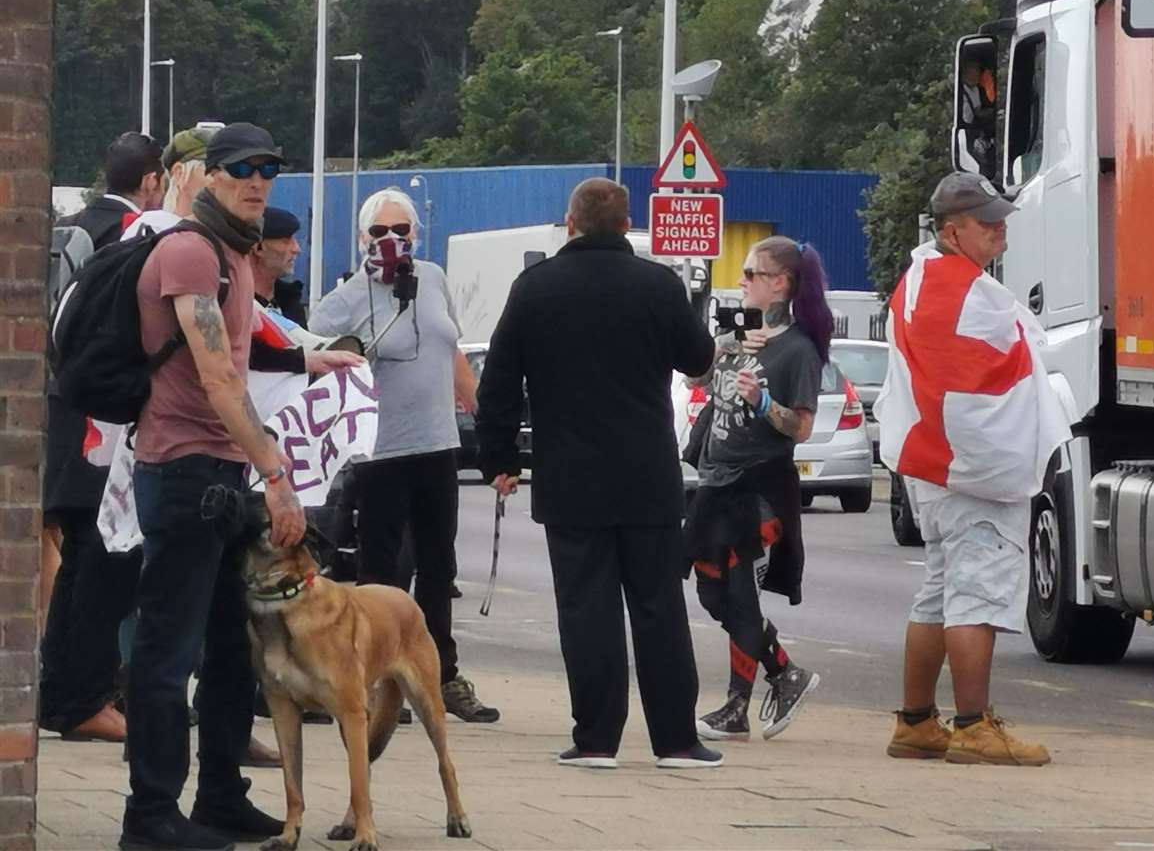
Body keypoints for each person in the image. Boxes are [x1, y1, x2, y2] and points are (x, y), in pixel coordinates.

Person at [475, 177, 722, 769]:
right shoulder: (658, 285)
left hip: (571, 477)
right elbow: (697, 359)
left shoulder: (536, 289)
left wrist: (500, 458)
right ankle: (676, 740)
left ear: (572, 223)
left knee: (587, 609)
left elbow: (500, 382)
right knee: (659, 606)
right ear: (625, 222)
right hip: (648, 476)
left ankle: (596, 739)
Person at [123, 122, 309, 850]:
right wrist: (277, 475)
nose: (257, 181)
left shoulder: (232, 253)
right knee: (168, 652)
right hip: (182, 472)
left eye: (268, 168)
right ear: (209, 175)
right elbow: (216, 377)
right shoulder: (190, 254)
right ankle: (150, 817)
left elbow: (242, 371)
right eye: (241, 169)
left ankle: (221, 796)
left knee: (235, 648)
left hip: (221, 473)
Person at [876, 172, 1068, 767]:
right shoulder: (962, 289)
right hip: (969, 469)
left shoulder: (917, 281)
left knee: (937, 590)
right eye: (988, 224)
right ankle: (973, 725)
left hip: (931, 463)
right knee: (976, 596)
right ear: (953, 231)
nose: (1001, 232)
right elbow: (1000, 366)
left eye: (1002, 220)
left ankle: (915, 722)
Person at [309, 187, 498, 724]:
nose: (392, 241)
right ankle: (375, 678)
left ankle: (439, 675)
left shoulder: (433, 279)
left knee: (439, 568)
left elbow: (450, 349)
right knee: (382, 570)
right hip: (383, 451)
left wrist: (484, 417)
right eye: (380, 233)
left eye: (402, 231)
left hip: (437, 444)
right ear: (364, 239)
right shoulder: (349, 297)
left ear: (417, 234)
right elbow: (313, 354)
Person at [40, 131, 165, 744]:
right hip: (106, 429)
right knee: (108, 566)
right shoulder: (138, 236)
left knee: (75, 567)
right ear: (150, 182)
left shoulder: (72, 227)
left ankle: (58, 692)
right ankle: (86, 696)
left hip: (65, 417)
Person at [687, 237, 827, 743]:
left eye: (751, 274)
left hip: (761, 485)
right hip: (715, 482)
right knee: (711, 591)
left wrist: (764, 400)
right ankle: (785, 672)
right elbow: (694, 377)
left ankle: (735, 707)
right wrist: (723, 346)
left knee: (739, 587)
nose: (742, 281)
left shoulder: (798, 351)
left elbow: (802, 427)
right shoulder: (740, 338)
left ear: (780, 283)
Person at [251, 207, 307, 327]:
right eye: (286, 241)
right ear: (258, 248)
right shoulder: (235, 306)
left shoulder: (291, 303)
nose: (296, 249)